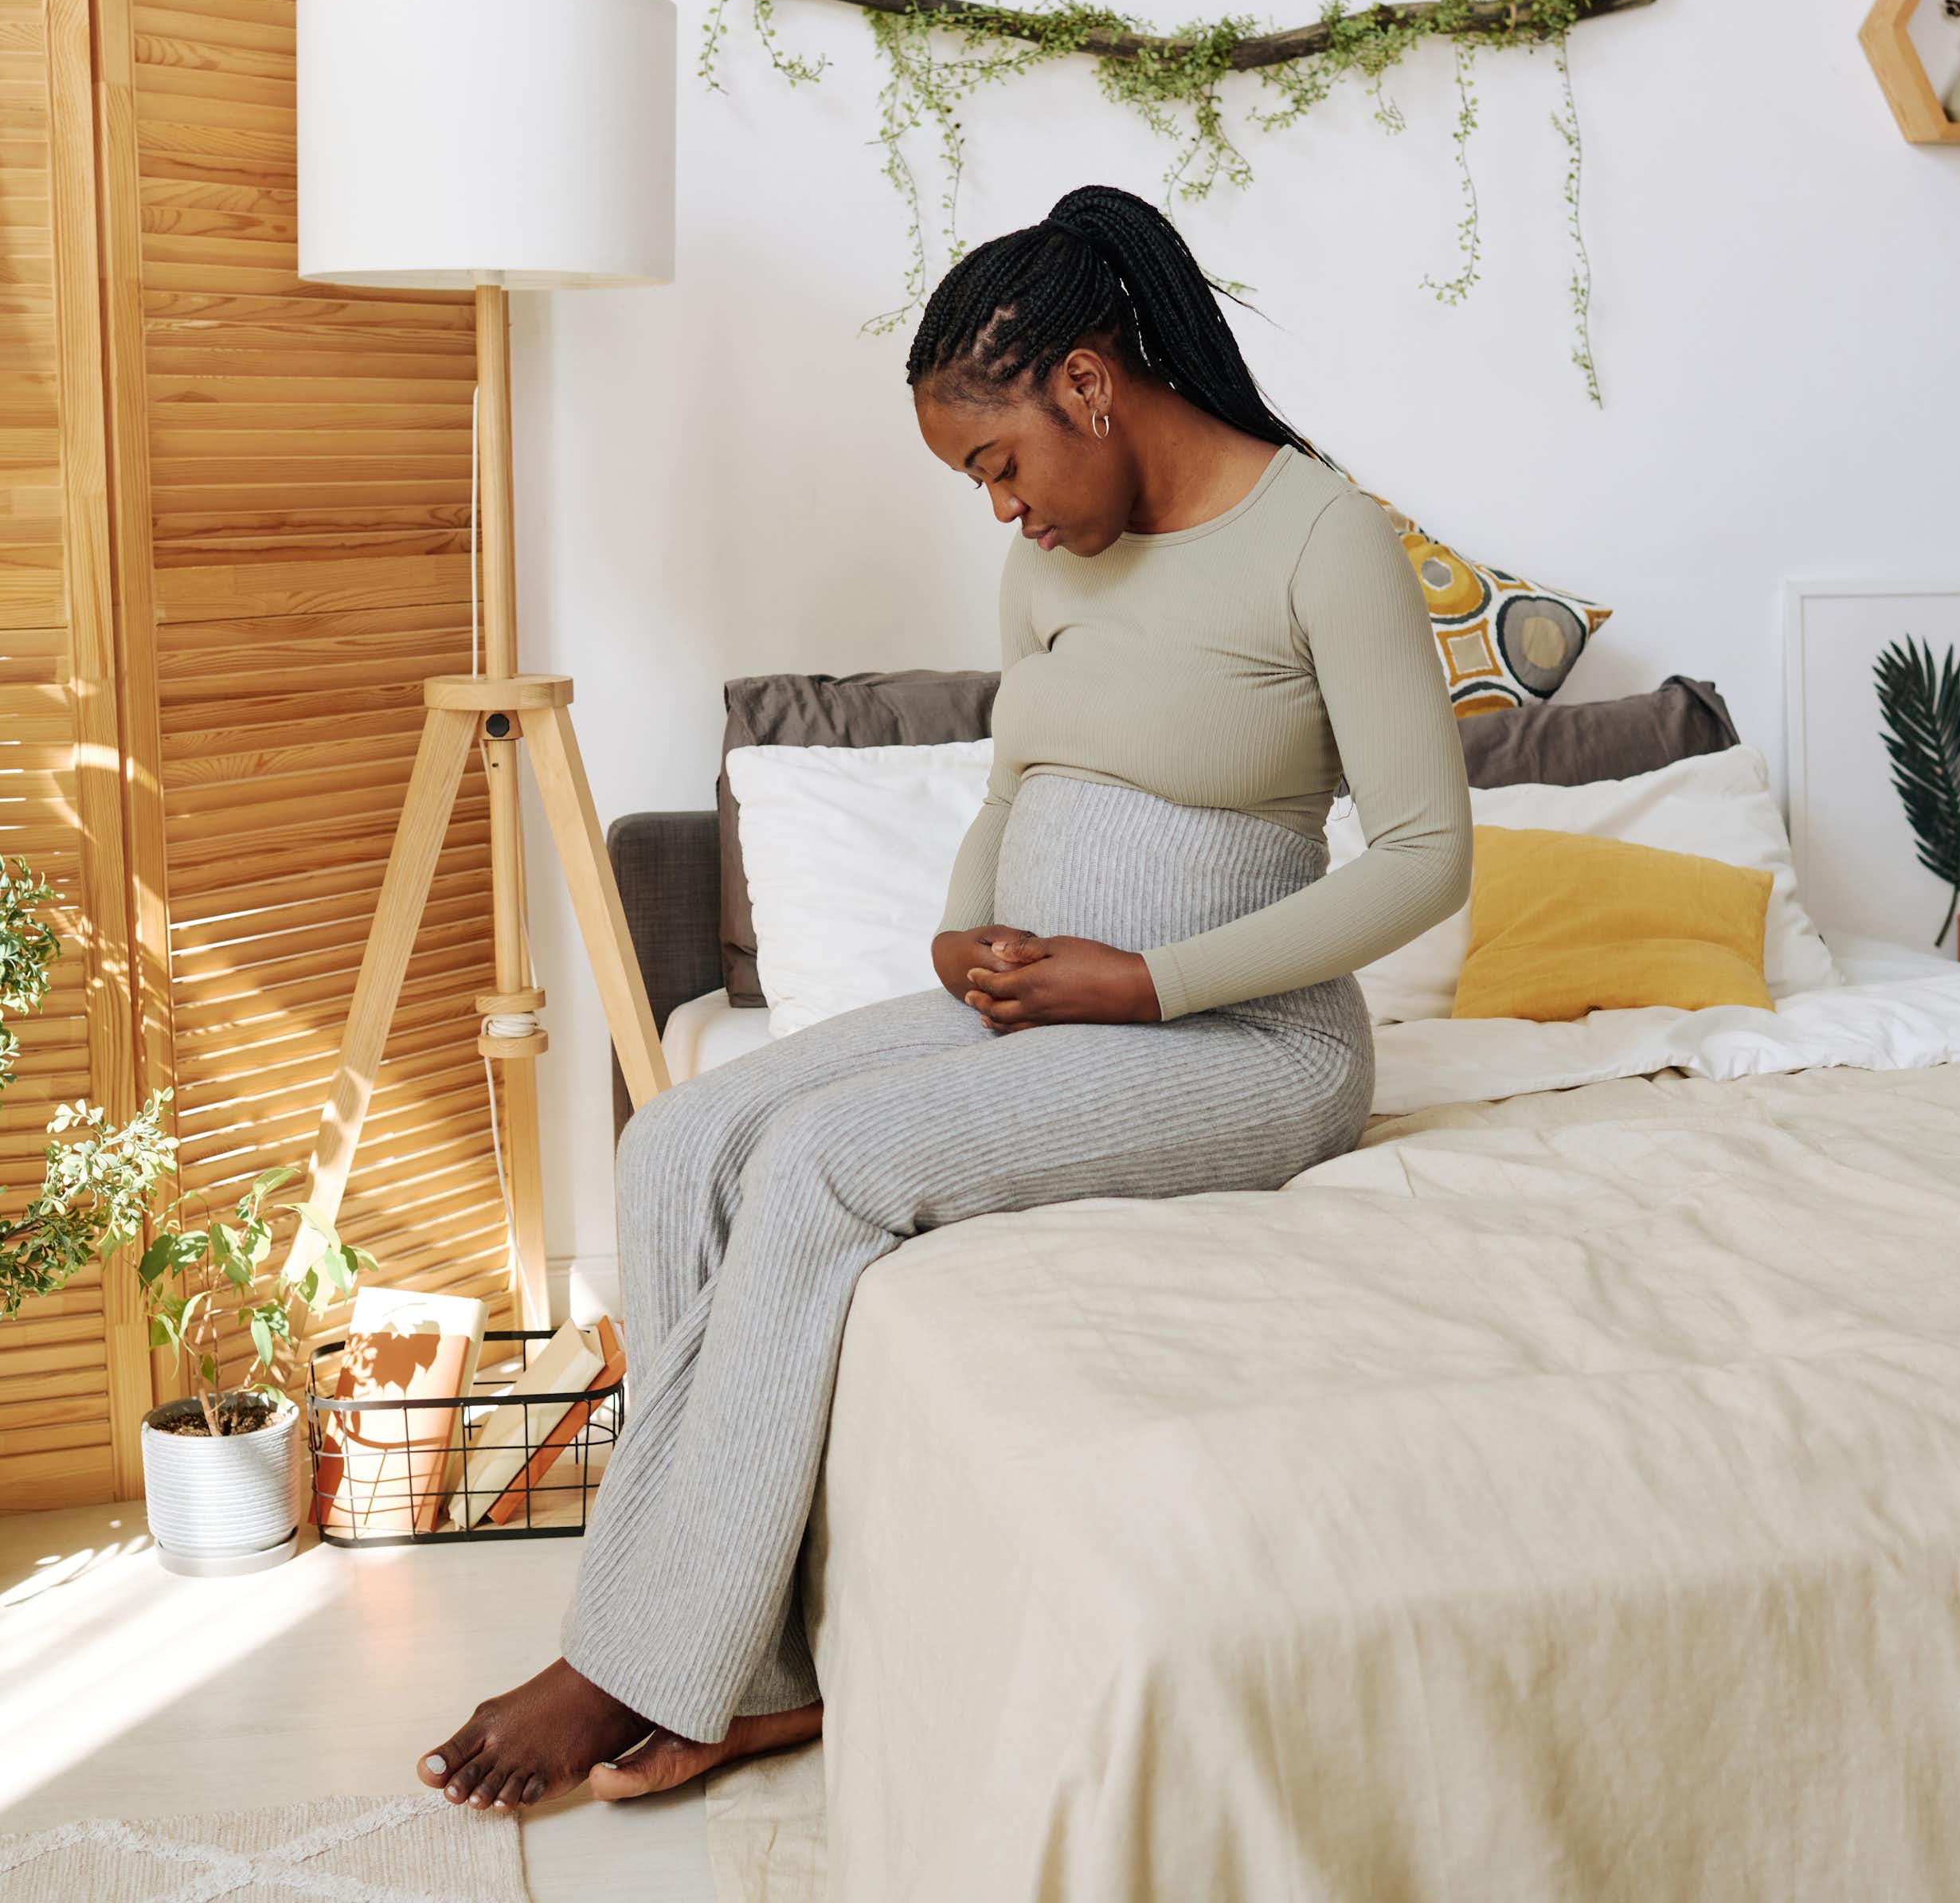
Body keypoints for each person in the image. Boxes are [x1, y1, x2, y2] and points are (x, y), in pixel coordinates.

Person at [416, 182, 1473, 1811]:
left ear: (1085, 385)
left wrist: (1148, 978)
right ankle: (748, 1674)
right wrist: (961, 930)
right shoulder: (1059, 558)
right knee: (677, 1140)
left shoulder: (1320, 538)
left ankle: (632, 1656)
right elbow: (1010, 774)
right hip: (1037, 1003)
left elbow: (1421, 857)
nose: (1000, 508)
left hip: (1245, 1043)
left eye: (996, 461)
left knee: (827, 1164)